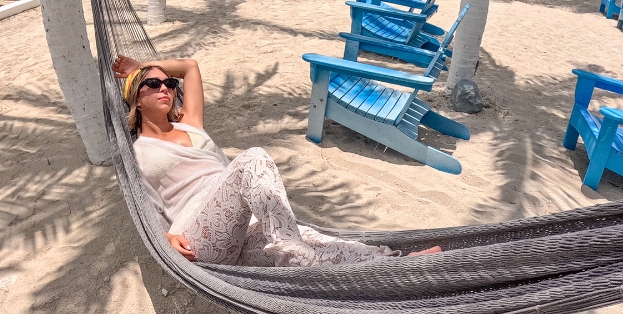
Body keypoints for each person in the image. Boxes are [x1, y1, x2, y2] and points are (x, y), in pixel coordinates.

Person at [112, 55, 442, 267]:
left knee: (317, 241)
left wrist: (141, 66)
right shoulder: (137, 150)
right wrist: (164, 238)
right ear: (136, 100)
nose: (165, 87)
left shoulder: (190, 123)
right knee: (253, 158)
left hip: (236, 227)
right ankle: (288, 243)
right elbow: (143, 208)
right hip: (196, 236)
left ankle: (396, 265)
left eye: (168, 83)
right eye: (152, 85)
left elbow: (190, 66)